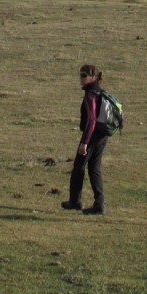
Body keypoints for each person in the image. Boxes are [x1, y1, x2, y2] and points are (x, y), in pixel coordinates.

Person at [61, 64, 109, 215]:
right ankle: (99, 204)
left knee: (78, 167)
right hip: (102, 135)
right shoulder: (100, 92)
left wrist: (84, 143)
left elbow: (91, 121)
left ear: (93, 77)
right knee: (94, 169)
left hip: (92, 136)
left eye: (84, 75)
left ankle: (75, 201)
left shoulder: (90, 95)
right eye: (80, 75)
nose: (81, 79)